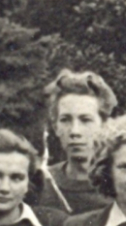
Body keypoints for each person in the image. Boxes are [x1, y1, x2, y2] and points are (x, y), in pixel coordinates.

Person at [38, 68, 118, 214]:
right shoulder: (41, 185)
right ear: (56, 127)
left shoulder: (123, 184)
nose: (75, 131)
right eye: (65, 120)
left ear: (104, 125)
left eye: (85, 120)